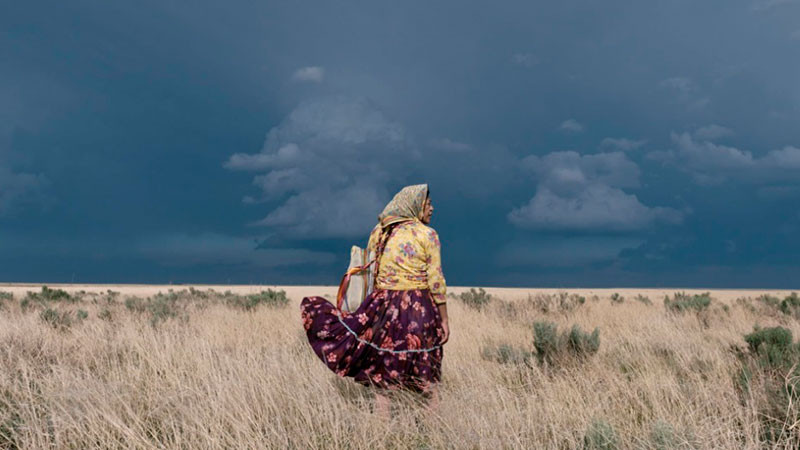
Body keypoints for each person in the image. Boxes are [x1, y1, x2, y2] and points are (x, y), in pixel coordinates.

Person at [300, 184, 450, 417]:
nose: (432, 208)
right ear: (415, 204)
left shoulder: (380, 231)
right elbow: (436, 280)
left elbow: (371, 271)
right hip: (418, 308)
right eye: (427, 203)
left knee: (383, 380)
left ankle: (382, 435)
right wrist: (444, 320)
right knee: (428, 379)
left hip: (382, 309)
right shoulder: (427, 234)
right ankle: (433, 433)